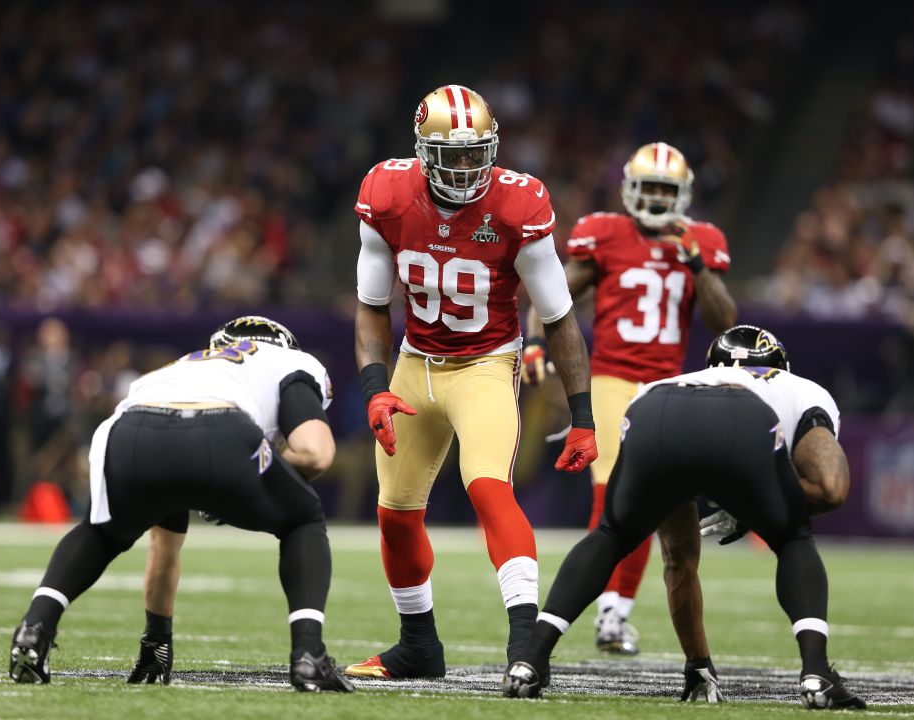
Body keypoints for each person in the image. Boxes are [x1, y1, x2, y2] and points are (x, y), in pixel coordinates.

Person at [346, 84, 599, 680]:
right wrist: (375, 387)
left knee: (488, 487)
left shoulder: (518, 203)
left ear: (492, 148)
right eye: (450, 155)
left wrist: (583, 415)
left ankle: (524, 648)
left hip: (486, 363)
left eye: (473, 153)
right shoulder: (385, 192)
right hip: (415, 362)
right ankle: (418, 647)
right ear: (422, 152)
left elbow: (560, 316)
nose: (463, 168)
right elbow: (371, 305)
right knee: (395, 513)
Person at [502, 325, 866, 710]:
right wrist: (758, 508)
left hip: (655, 406)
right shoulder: (801, 389)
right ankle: (816, 671)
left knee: (613, 534)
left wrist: (698, 662)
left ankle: (532, 658)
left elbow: (680, 560)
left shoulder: (683, 378)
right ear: (780, 365)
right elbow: (830, 488)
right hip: (743, 418)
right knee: (793, 538)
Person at [8, 316, 354, 693]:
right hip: (220, 430)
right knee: (303, 518)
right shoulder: (289, 363)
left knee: (102, 532)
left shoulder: (185, 366)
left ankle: (34, 630)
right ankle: (309, 654)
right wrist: (241, 479)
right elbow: (317, 455)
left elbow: (164, 546)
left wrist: (157, 640)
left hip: (131, 429)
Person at [522, 141, 736, 654]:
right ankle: (604, 613)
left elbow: (725, 322)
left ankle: (614, 615)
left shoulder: (701, 240)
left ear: (682, 193)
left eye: (667, 189)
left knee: (656, 498)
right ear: (630, 189)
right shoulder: (606, 233)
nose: (659, 198)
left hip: (666, 387)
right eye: (651, 188)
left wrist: (697, 266)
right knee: (611, 490)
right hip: (612, 380)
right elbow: (554, 294)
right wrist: (533, 342)